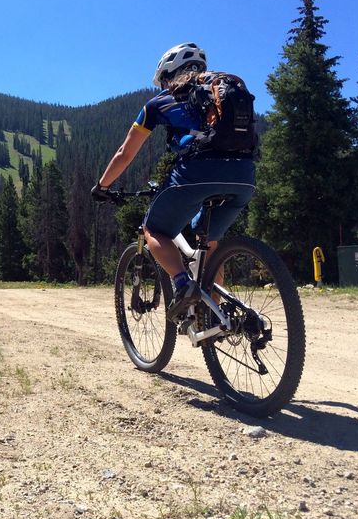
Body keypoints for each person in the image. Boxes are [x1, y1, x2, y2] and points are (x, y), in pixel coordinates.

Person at [91, 43, 256, 320]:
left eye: (163, 80)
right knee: (209, 244)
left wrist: (103, 186)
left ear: (169, 75)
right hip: (244, 176)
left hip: (196, 173)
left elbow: (125, 153)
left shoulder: (158, 103)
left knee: (153, 229)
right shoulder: (224, 90)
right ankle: (214, 319)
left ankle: (182, 284)